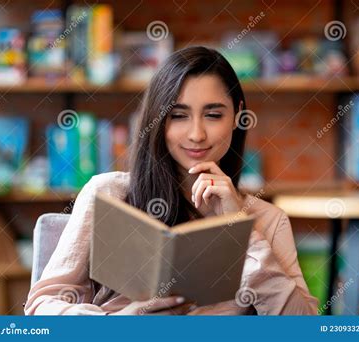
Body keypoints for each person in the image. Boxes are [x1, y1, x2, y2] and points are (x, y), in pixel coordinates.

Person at [25, 46, 318, 315]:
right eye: (178, 116)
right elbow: (41, 308)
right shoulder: (108, 194)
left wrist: (240, 228)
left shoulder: (267, 221)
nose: (196, 134)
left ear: (238, 115)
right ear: (157, 119)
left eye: (213, 114)